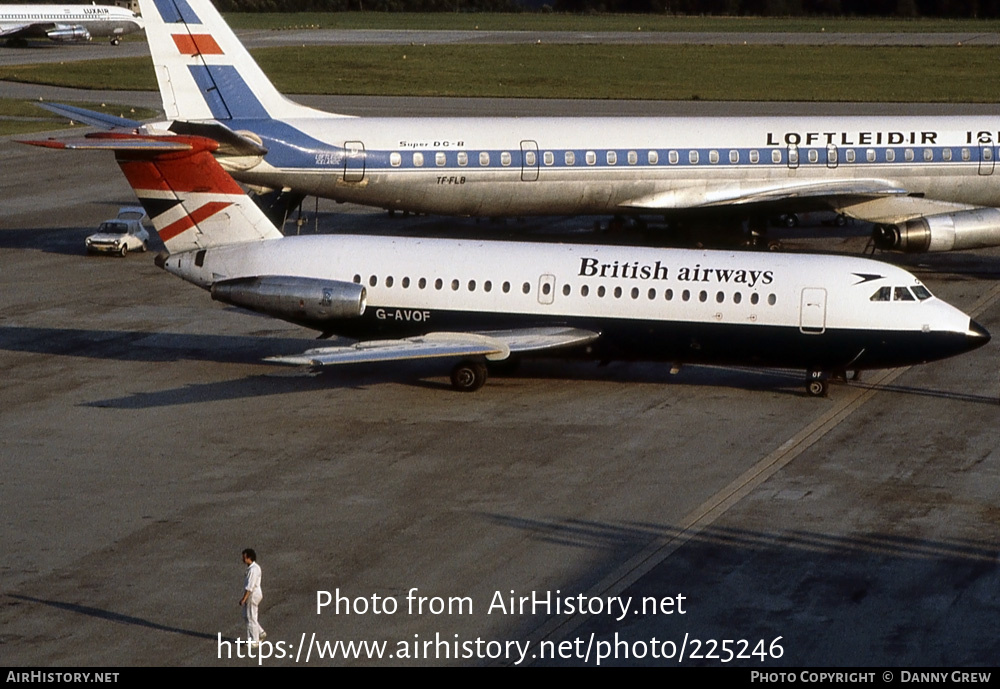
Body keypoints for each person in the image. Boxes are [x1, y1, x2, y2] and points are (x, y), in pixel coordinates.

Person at [239, 548, 266, 646]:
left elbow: (250, 586)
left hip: (252, 595)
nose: (242, 558)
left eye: (244, 557)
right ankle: (260, 632)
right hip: (253, 594)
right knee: (247, 616)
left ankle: (254, 640)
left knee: (251, 617)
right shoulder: (253, 568)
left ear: (248, 557)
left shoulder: (253, 570)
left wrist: (244, 599)